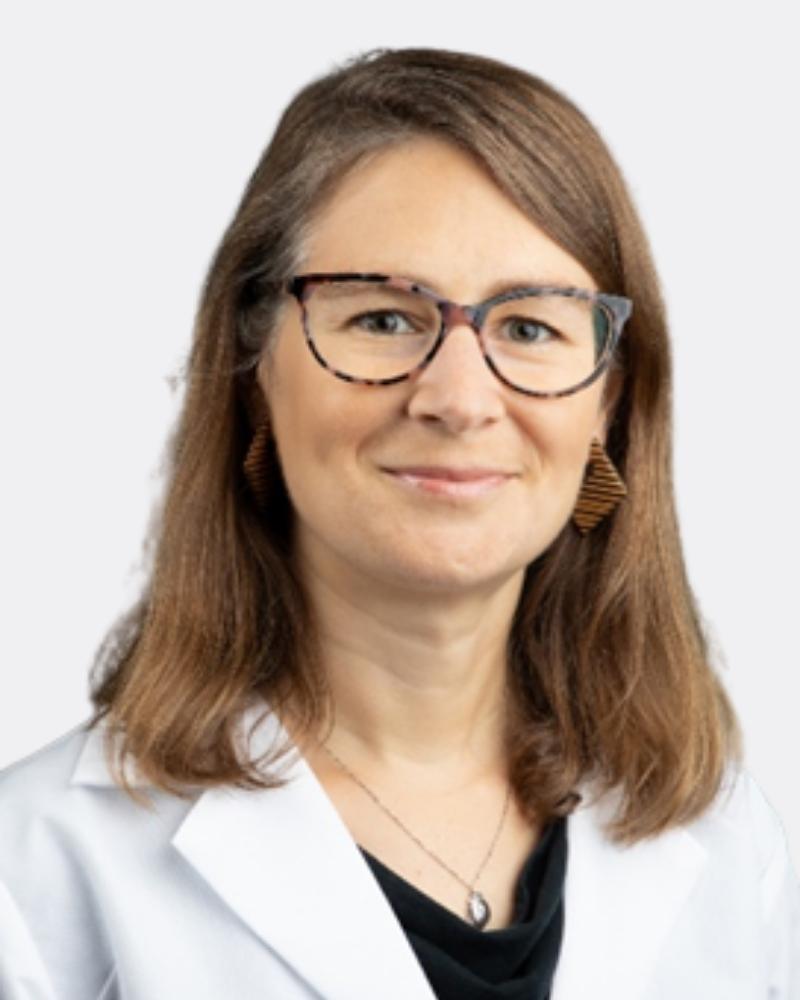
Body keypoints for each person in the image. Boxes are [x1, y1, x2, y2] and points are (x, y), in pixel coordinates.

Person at [0, 47, 797, 1000]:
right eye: (382, 319)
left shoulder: (725, 841)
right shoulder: (37, 874)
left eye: (530, 328)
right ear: (256, 374)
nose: (458, 399)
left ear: (608, 406)